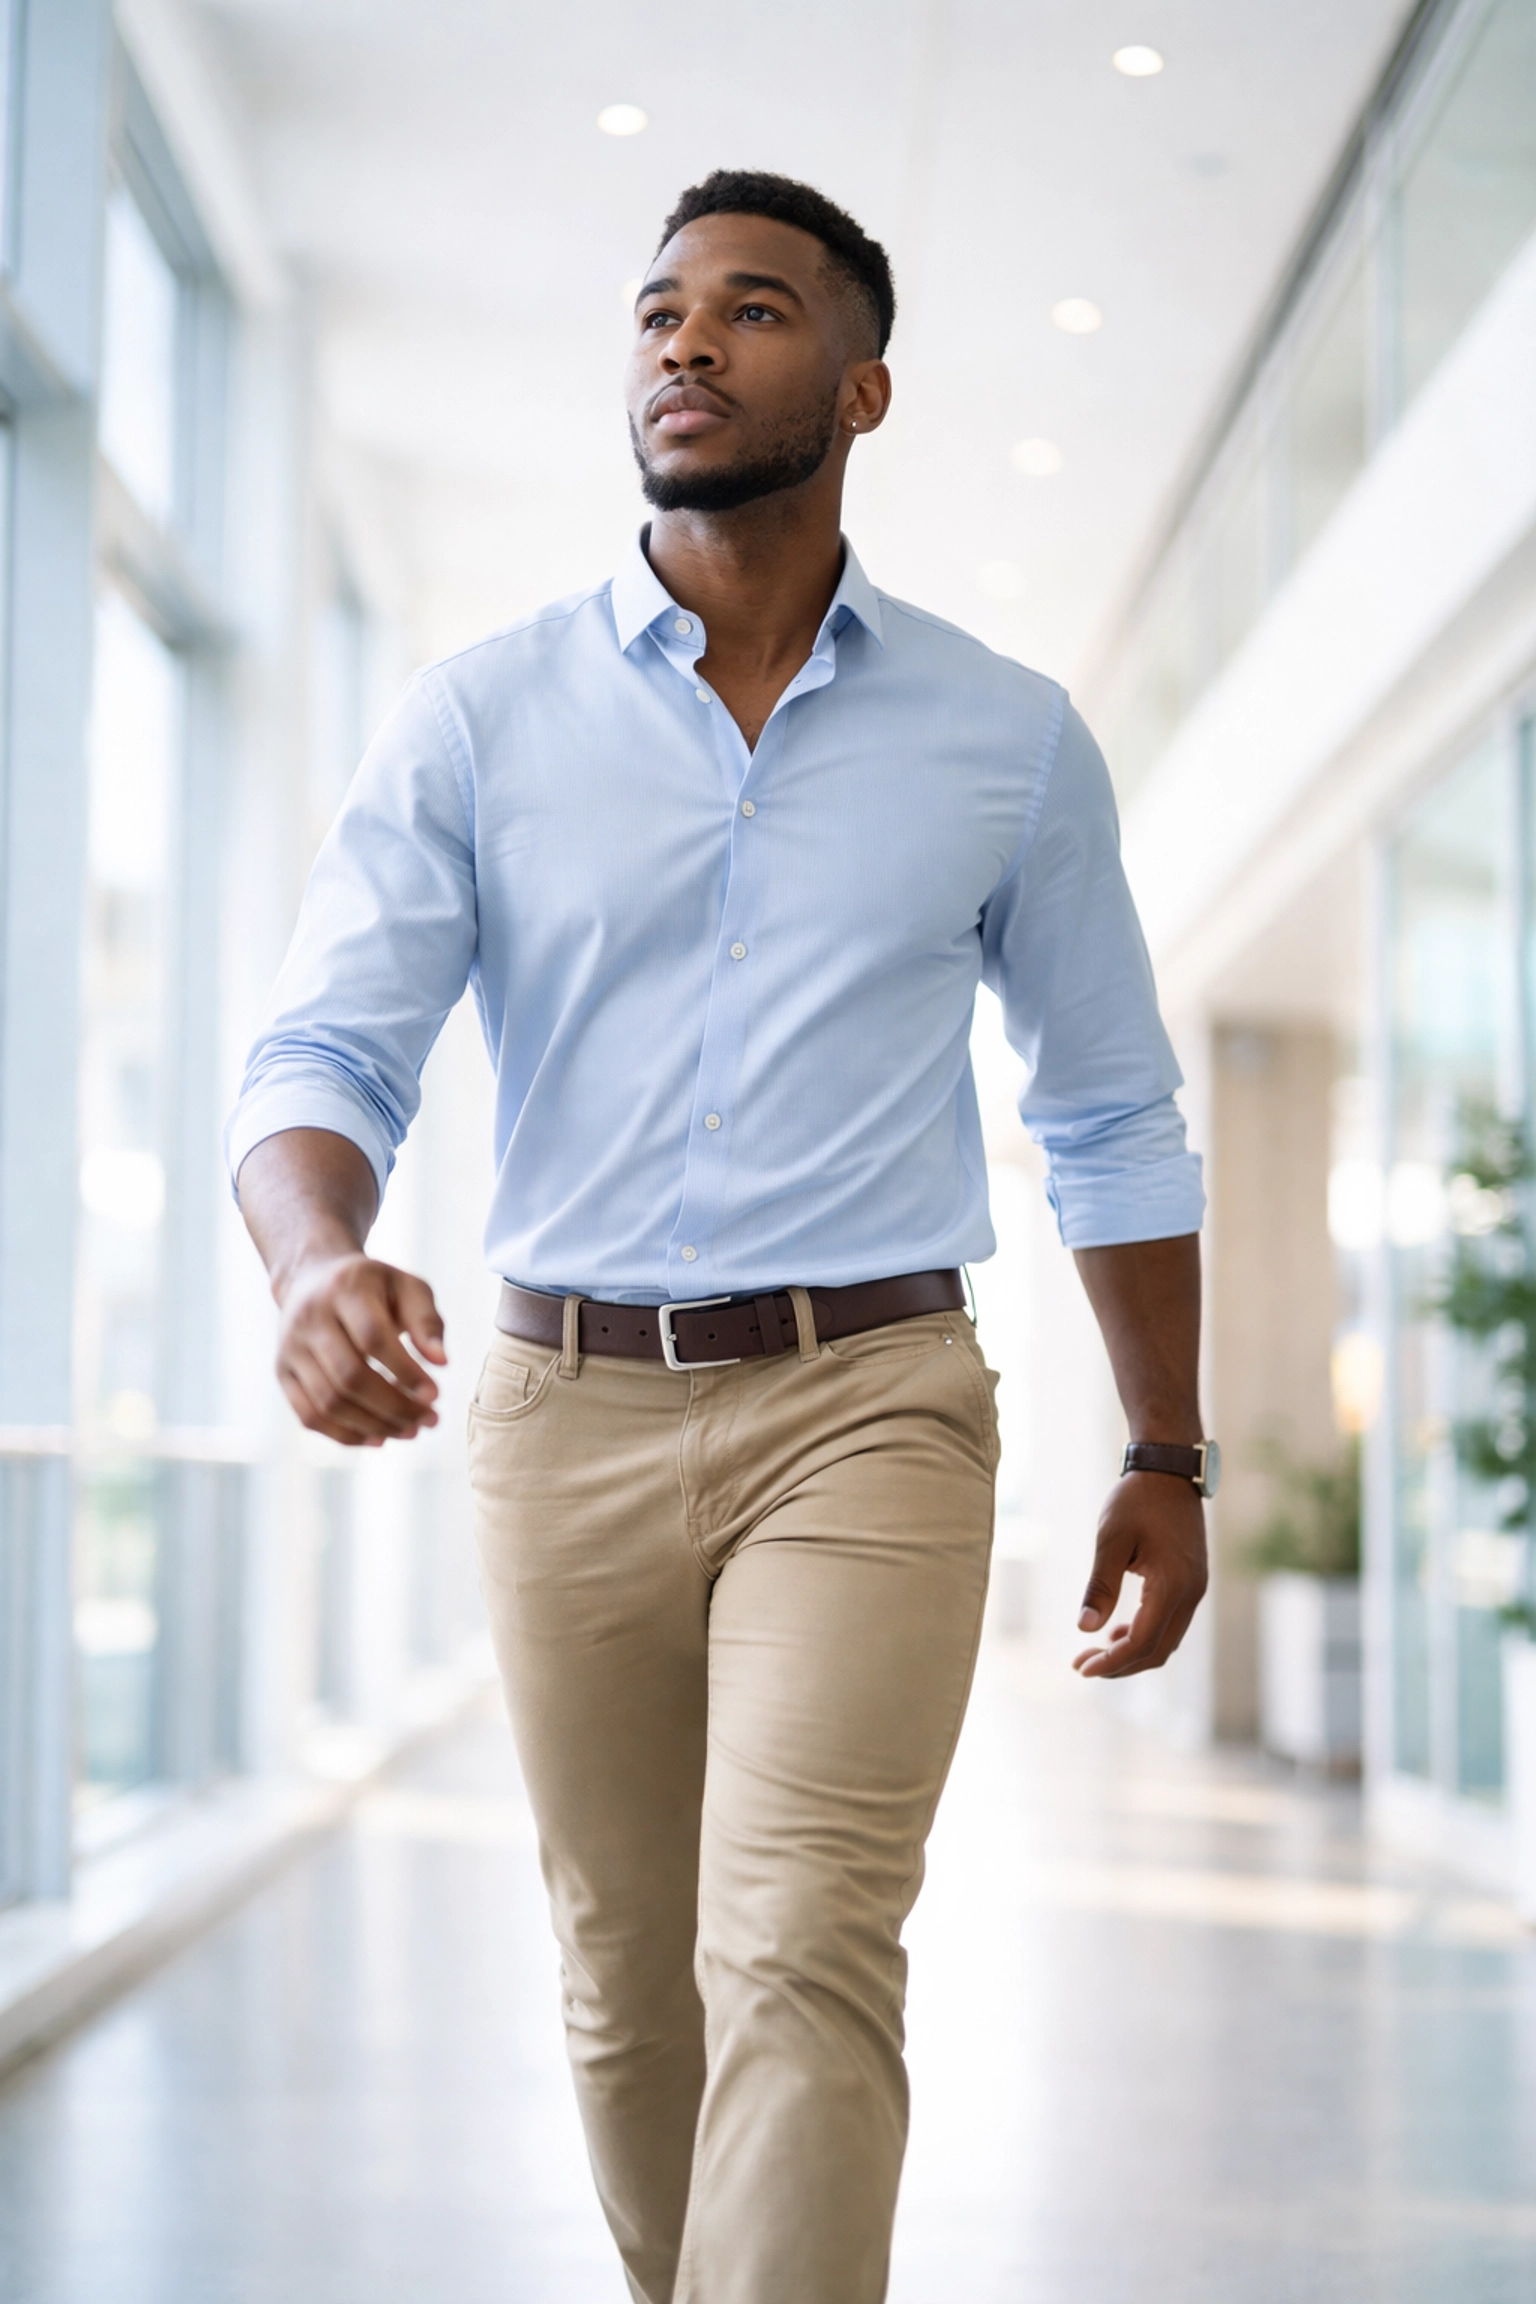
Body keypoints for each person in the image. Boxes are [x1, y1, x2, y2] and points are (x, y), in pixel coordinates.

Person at [229, 169, 1212, 2304]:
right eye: (660, 310)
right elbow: (323, 1052)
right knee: (628, 1984)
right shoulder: (483, 719)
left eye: (750, 312)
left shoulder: (1006, 740)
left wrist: (1165, 1448)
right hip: (557, 1406)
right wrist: (316, 1263)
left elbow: (1113, 1107)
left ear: (860, 387)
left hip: (869, 1406)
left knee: (801, 1948)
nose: (684, 342)